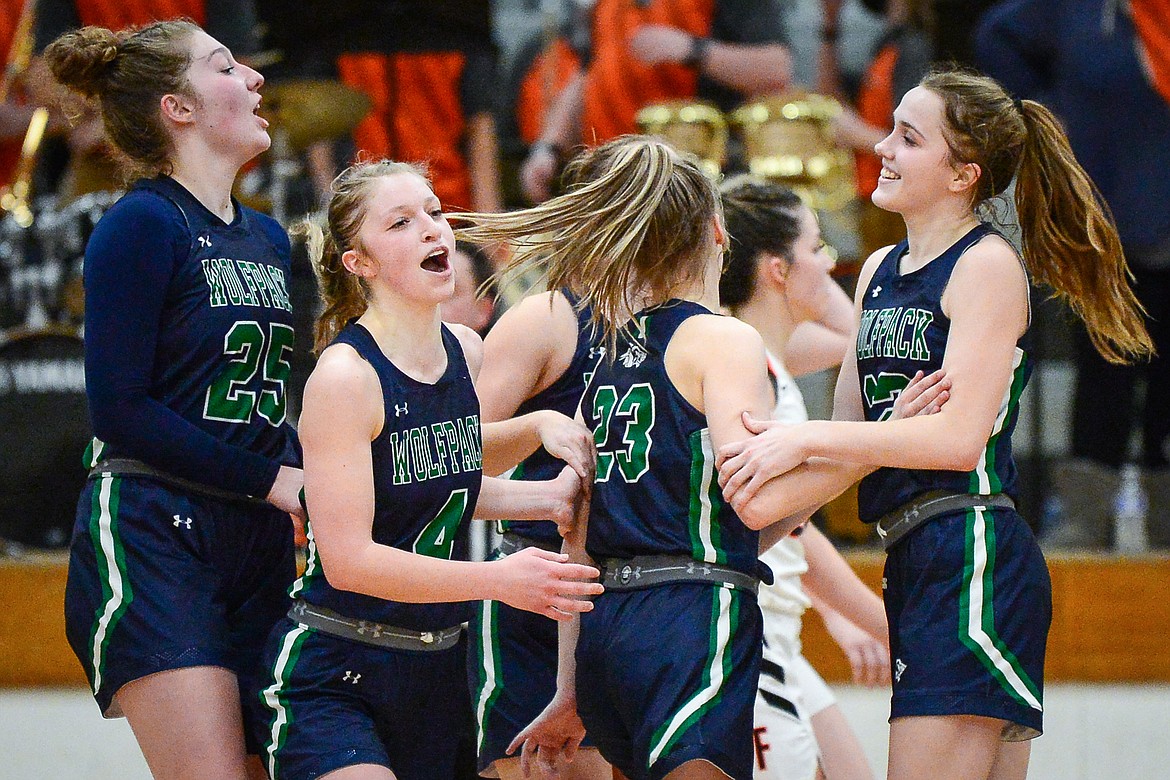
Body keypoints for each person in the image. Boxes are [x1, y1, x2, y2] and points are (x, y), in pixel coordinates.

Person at [458, 136, 945, 780]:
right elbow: (754, 498)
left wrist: (570, 685)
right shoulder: (716, 338)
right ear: (718, 230)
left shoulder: (610, 352)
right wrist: (878, 442)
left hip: (602, 619)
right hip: (686, 615)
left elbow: (584, 522)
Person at [717, 69, 1153, 780]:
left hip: (972, 551)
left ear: (962, 175)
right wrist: (737, 537)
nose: (883, 147)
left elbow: (954, 440)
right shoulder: (880, 269)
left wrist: (805, 437)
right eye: (890, 129)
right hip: (914, 558)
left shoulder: (986, 266)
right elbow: (852, 446)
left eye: (909, 138)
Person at [251, 159, 603, 780]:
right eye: (402, 222)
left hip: (439, 668)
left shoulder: (466, 351)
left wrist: (548, 494)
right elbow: (349, 558)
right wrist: (498, 580)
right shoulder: (344, 377)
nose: (433, 229)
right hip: (338, 666)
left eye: (435, 212)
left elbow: (441, 484)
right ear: (358, 262)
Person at [45, 20, 303, 780]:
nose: (255, 78)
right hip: (156, 528)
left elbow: (260, 403)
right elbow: (119, 410)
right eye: (226, 67)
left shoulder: (266, 237)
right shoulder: (140, 224)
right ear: (178, 108)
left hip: (255, 539)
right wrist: (274, 480)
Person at [976, 0, 1170, 549]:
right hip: (1110, 213)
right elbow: (998, 38)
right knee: (1103, 369)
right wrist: (1045, 116)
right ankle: (1085, 515)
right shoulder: (1078, 7)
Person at [720, 178, 895, 780]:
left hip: (781, 627)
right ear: (776, 269)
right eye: (817, 247)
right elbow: (768, 520)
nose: (828, 263)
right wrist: (876, 621)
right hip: (751, 628)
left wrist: (856, 619)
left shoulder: (769, 351)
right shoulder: (738, 364)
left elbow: (867, 351)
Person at [519, 0, 792, 203]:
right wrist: (548, 148)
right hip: (610, 181)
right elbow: (587, 72)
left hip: (690, 188)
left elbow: (776, 69)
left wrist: (691, 49)